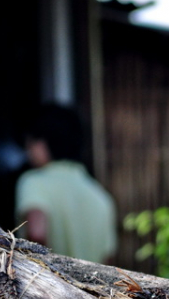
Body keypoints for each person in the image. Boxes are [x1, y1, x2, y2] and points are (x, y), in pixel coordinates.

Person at [15, 104, 117, 264]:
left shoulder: (34, 182)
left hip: (45, 286)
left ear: (42, 144)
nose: (27, 151)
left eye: (29, 143)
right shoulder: (100, 196)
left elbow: (36, 234)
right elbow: (108, 260)